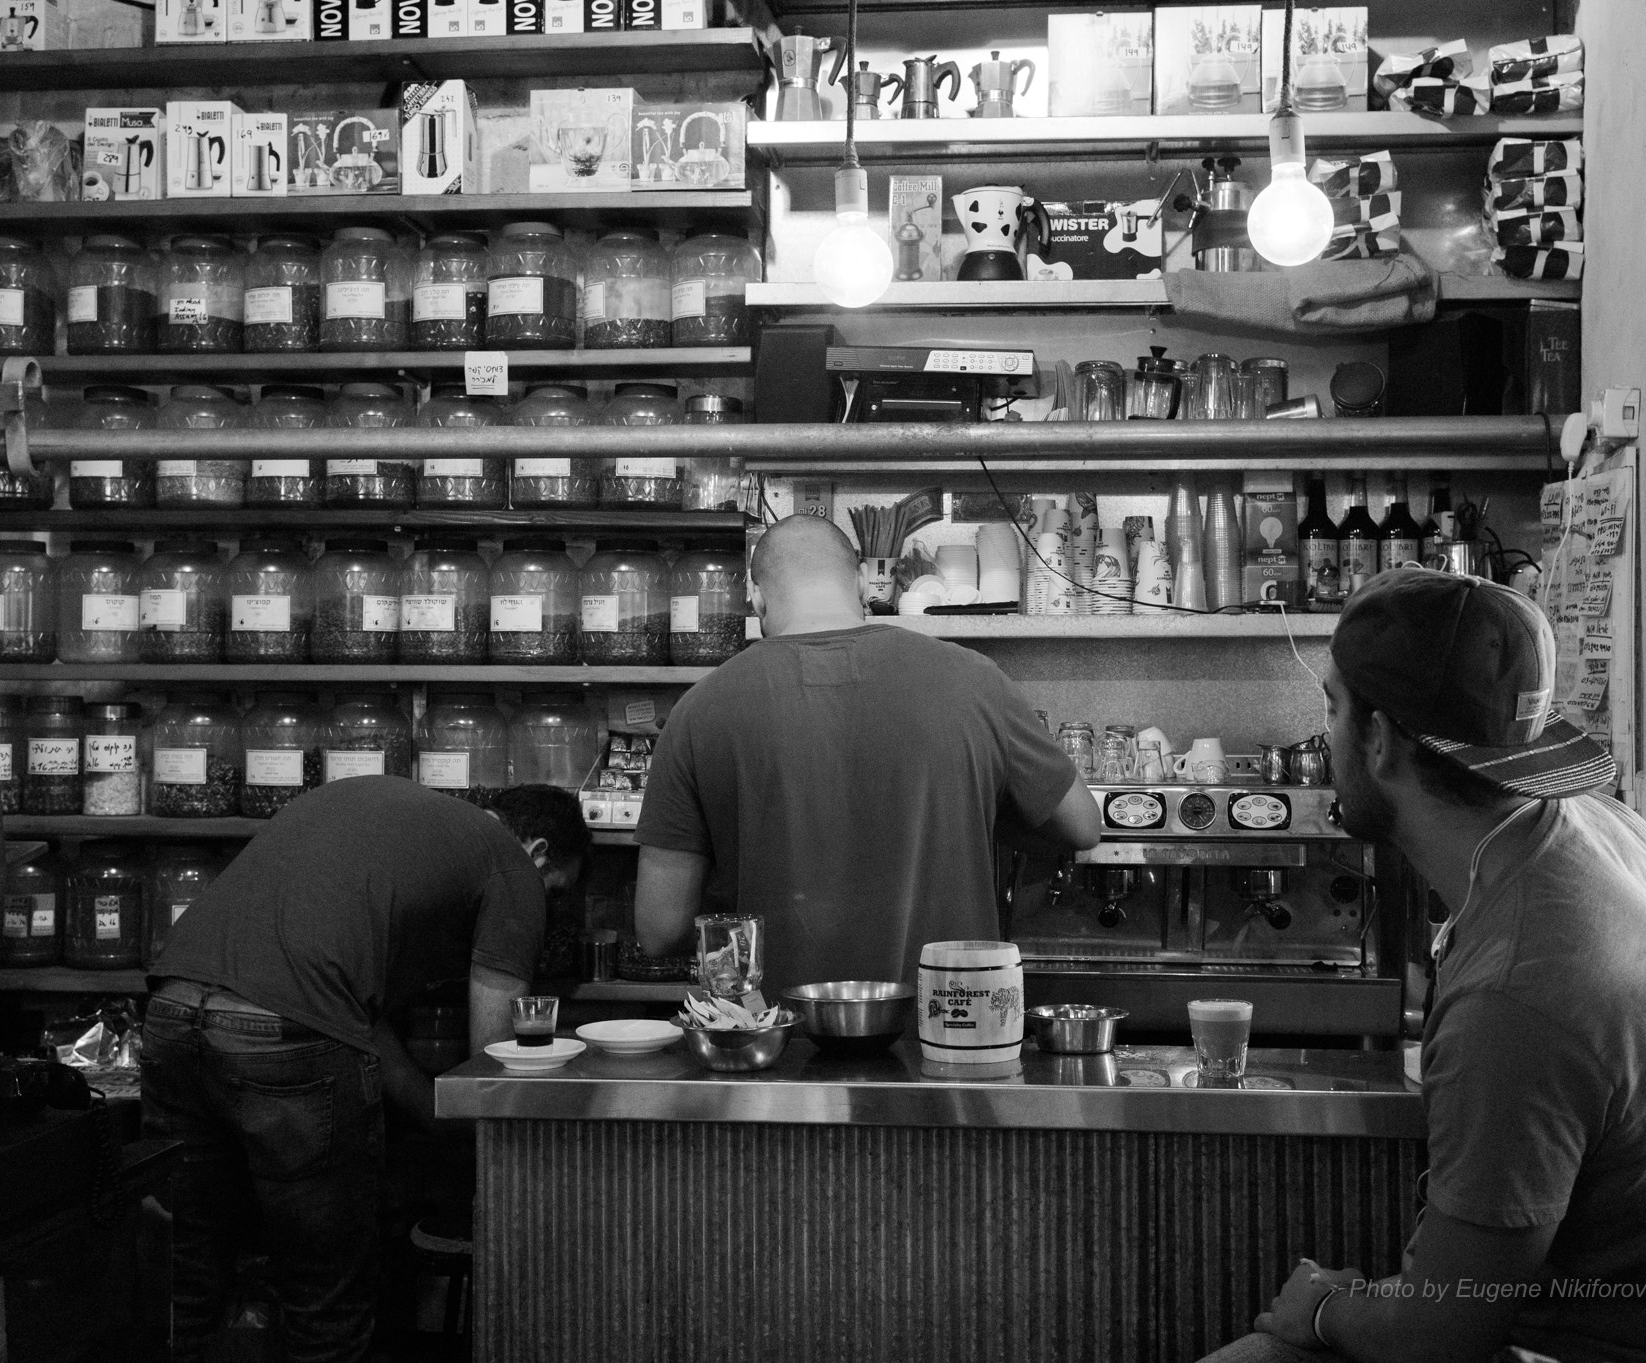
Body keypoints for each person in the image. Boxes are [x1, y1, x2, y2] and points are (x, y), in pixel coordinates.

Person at [1205, 571, 1646, 1363]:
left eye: (1332, 706)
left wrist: (1323, 1308)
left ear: (1380, 739)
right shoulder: (1601, 825)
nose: (1325, 733)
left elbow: (1440, 1333)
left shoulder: (1513, 990)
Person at [142, 777, 587, 1363]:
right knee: (324, 1302)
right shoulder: (509, 866)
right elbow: (491, 1058)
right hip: (288, 1040)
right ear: (539, 852)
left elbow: (359, 1021)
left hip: (169, 1014)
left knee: (190, 1280)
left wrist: (430, 1111)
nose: (544, 909)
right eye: (555, 894)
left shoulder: (400, 825)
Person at [634, 513, 1101, 990]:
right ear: (861, 584)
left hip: (778, 1040)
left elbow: (659, 928)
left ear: (756, 598)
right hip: (952, 1029)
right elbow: (1083, 826)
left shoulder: (700, 709)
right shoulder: (975, 681)